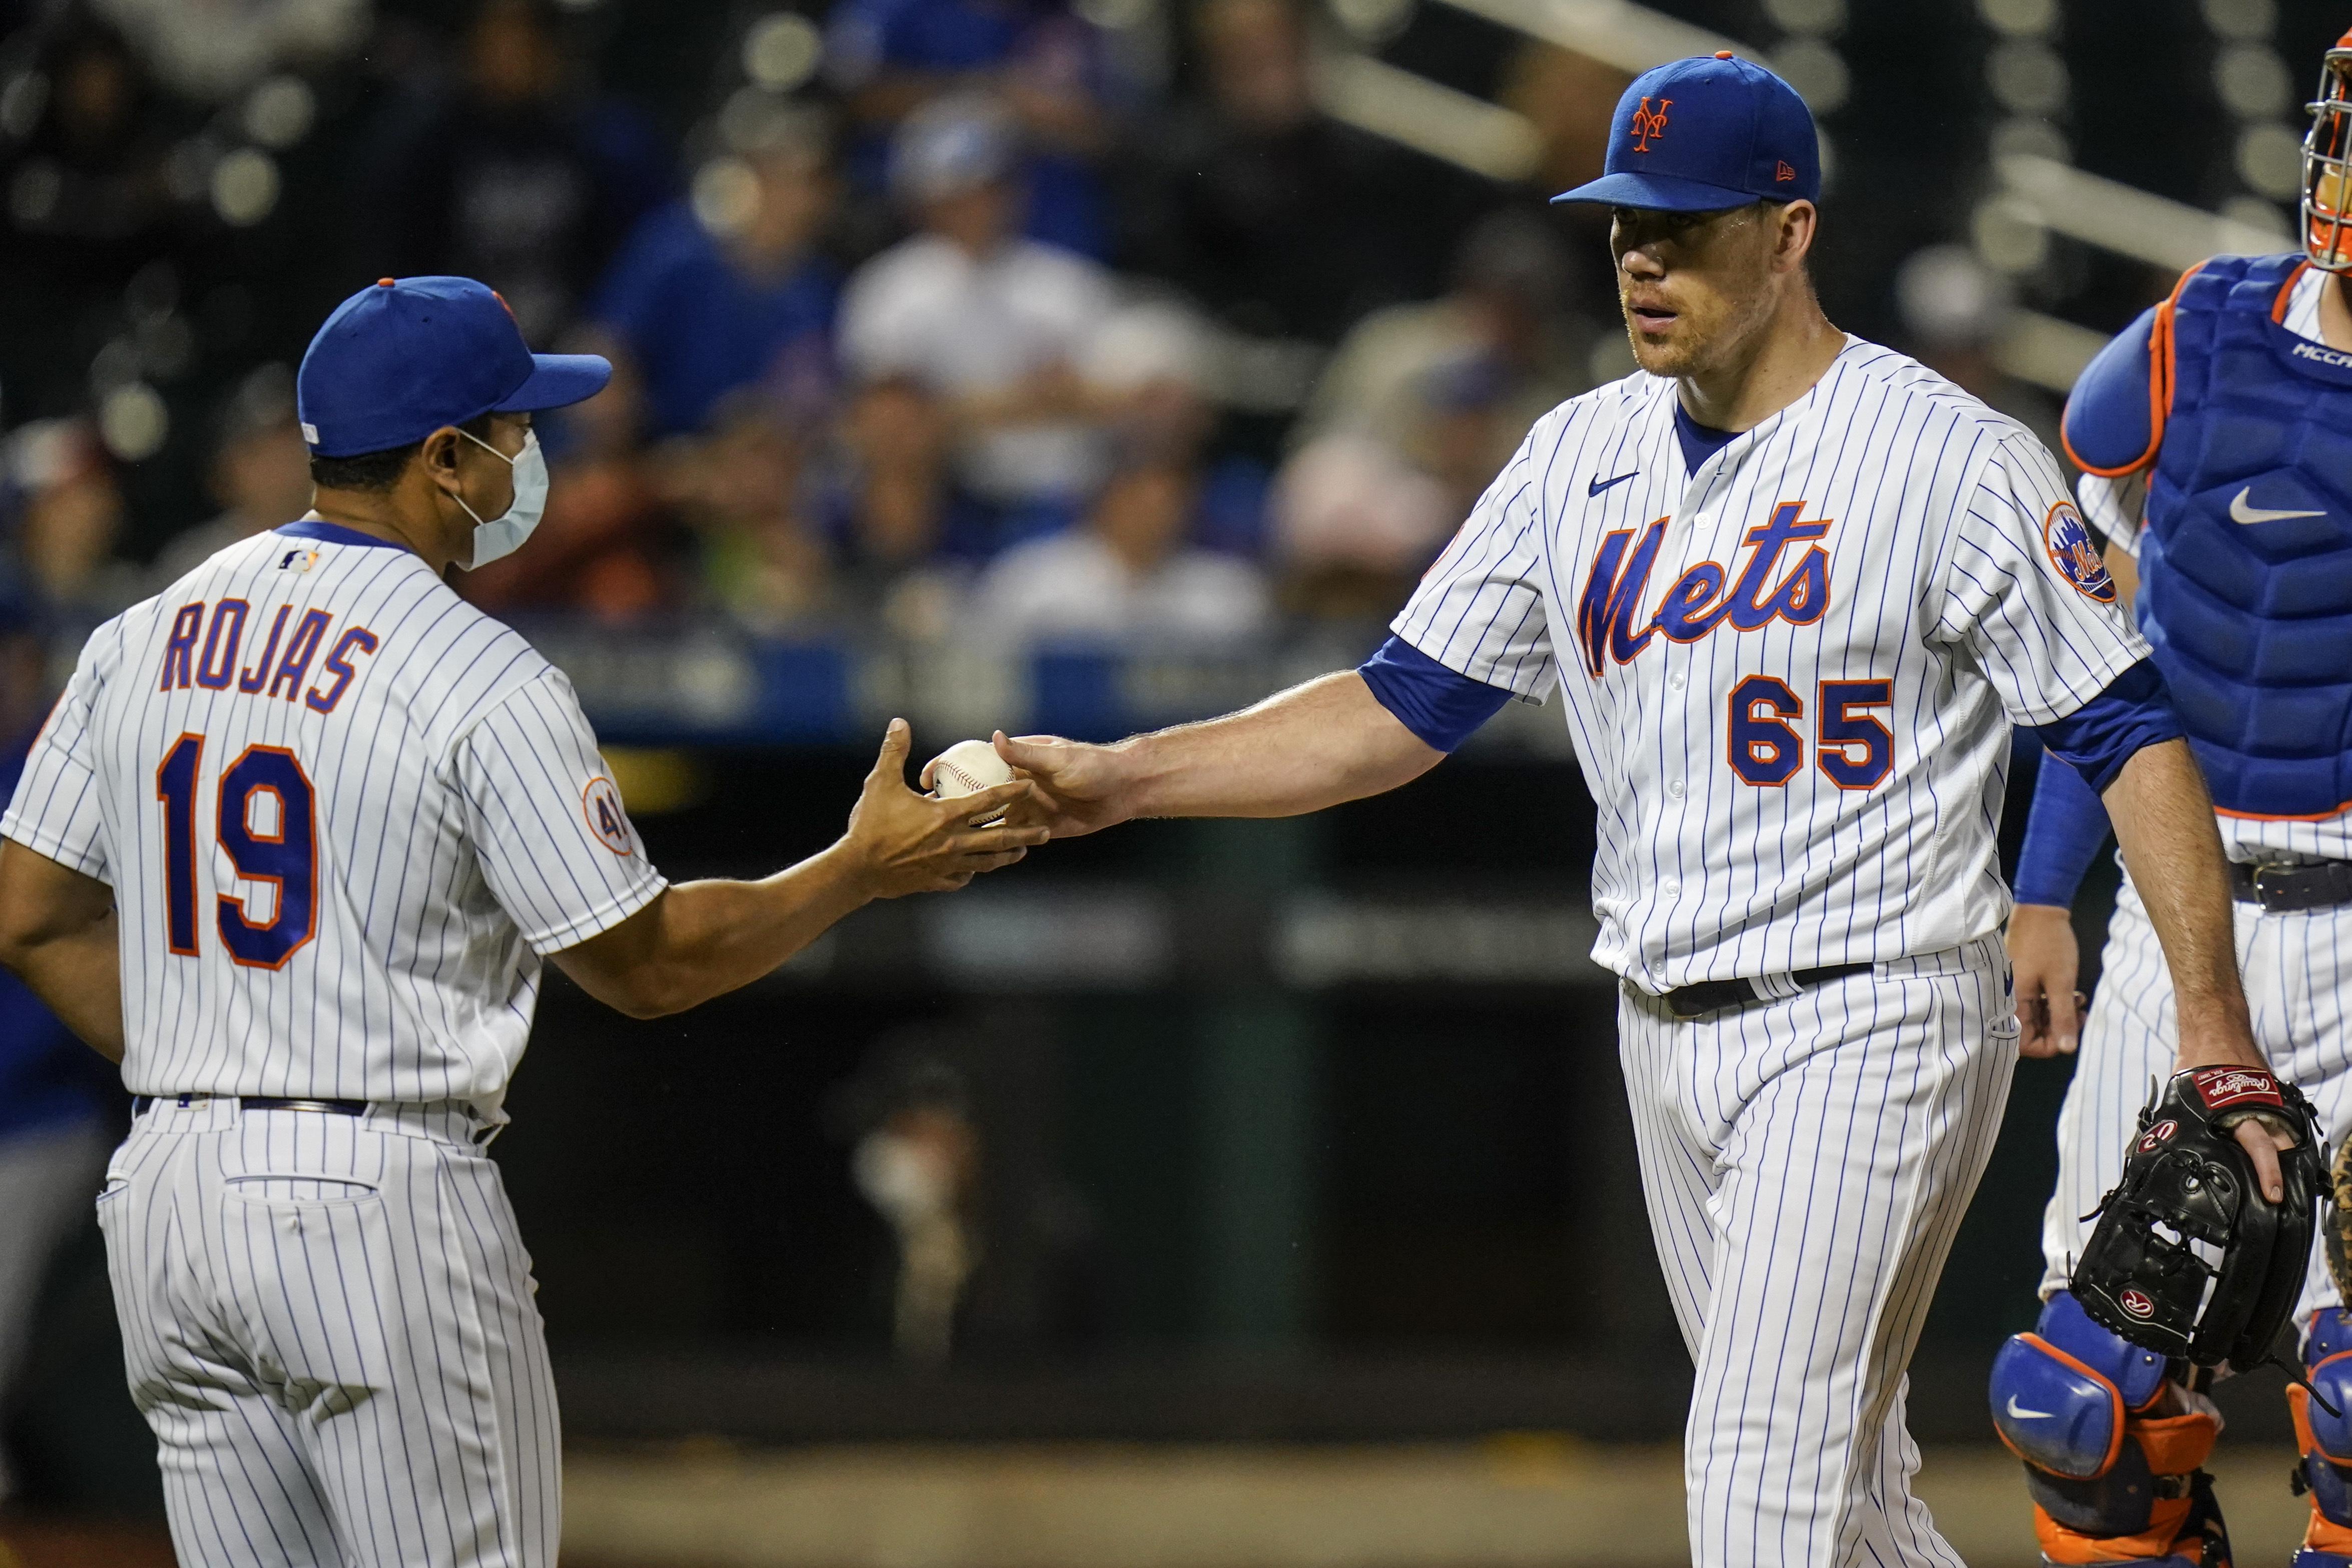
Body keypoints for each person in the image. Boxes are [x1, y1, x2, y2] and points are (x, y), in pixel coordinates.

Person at [991, 55, 2292, 1566]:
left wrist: (2207, 1022)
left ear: (1791, 232)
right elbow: (1398, 708)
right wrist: (1124, 777)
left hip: (1875, 1014)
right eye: (1623, 228)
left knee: (1754, 1485)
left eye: (1685, 227)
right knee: (1851, 1504)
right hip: (1662, 1023)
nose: (1643, 261)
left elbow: (2128, 728)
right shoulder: (1577, 454)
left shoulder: (1947, 458)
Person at [0, 274, 1041, 1568]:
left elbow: (32, 916)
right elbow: (649, 963)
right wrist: (855, 869)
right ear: (444, 459)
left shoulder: (141, 629)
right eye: (512, 428)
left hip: (168, 1191)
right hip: (374, 1197)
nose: (527, 455)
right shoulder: (475, 668)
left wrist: (218, 1066)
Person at [1993, 28, 2352, 1567]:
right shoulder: (2191, 336)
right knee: (2082, 1404)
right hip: (2169, 909)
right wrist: (2039, 887)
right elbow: (2099, 654)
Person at [838, 91, 1118, 520]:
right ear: (921, 200)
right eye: (957, 192)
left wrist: (956, 407)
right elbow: (887, 424)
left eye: (988, 188)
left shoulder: (1066, 281)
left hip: (1065, 500)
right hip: (948, 502)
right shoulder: (888, 289)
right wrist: (1027, 401)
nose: (975, 206)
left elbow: (1110, 396)